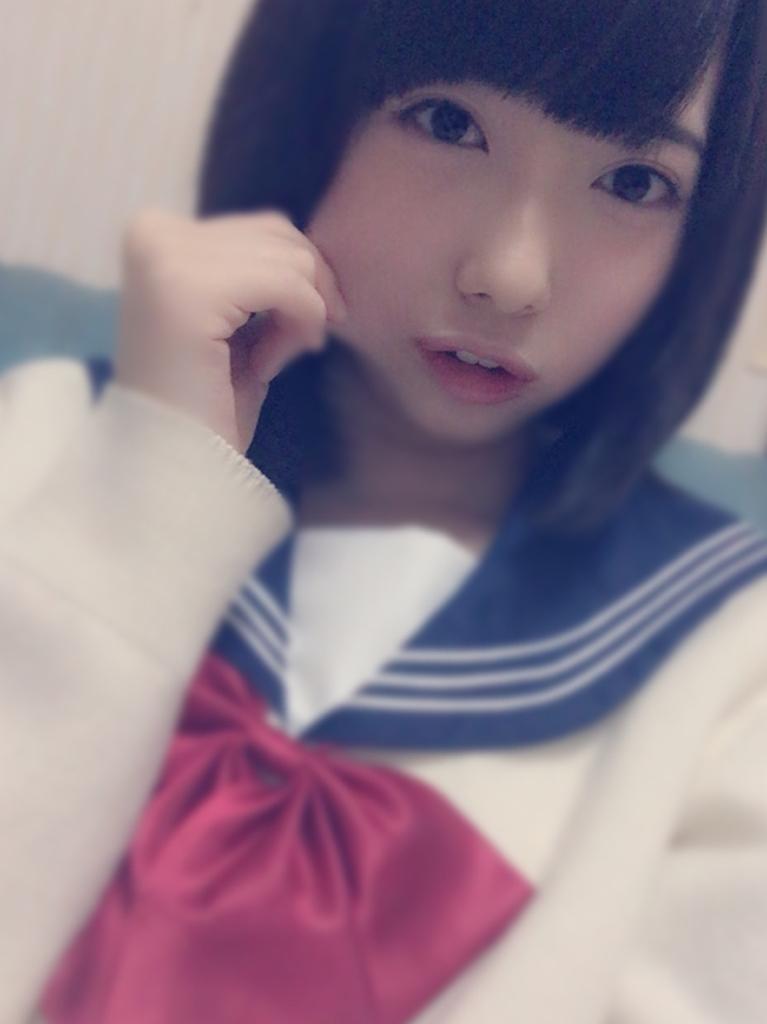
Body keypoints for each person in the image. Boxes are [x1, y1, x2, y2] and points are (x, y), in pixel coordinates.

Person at [1, 0, 766, 1021]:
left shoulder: (731, 667)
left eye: (634, 182)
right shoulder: (46, 440)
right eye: (447, 122)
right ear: (311, 106)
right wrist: (153, 489)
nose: (508, 275)